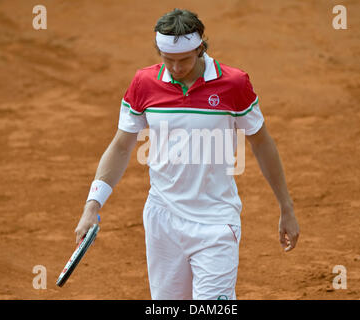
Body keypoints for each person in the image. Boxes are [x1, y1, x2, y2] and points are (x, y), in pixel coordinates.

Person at [74, 8, 300, 300]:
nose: (176, 68)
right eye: (168, 60)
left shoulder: (234, 84)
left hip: (216, 222)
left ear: (201, 47)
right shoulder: (144, 84)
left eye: (184, 60)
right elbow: (121, 146)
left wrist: (286, 207)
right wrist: (91, 206)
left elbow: (261, 143)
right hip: (162, 221)